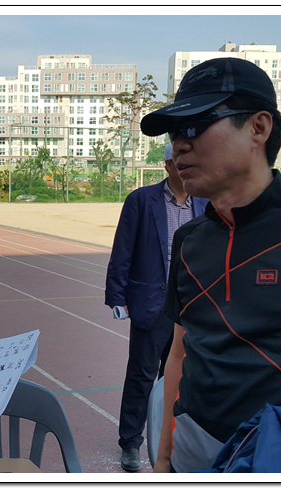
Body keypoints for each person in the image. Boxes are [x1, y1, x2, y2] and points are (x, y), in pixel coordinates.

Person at [140, 57, 281, 472]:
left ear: (259, 128)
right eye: (175, 132)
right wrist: (164, 459)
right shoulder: (189, 241)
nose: (179, 145)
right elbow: (179, 353)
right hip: (192, 456)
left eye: (195, 125)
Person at [105, 144, 207, 472]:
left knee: (178, 380)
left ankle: (170, 441)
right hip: (152, 304)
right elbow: (123, 249)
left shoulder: (205, 202)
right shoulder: (141, 200)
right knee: (142, 375)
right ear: (167, 165)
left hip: (190, 307)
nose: (187, 166)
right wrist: (117, 297)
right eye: (180, 160)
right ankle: (130, 442)